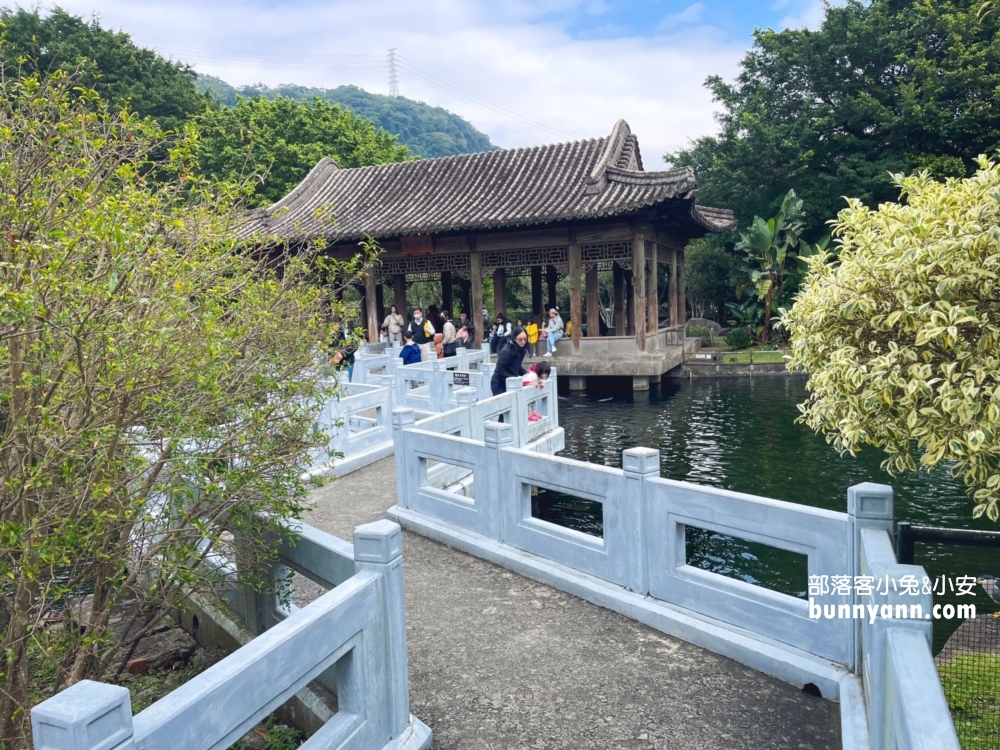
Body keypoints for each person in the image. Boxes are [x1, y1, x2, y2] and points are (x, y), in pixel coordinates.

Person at [491, 326, 529, 399]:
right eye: (520, 339)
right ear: (514, 339)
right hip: (499, 384)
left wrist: (528, 375)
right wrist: (515, 379)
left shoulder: (522, 349)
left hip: (511, 383)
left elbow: (517, 365)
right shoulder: (506, 351)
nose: (523, 341)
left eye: (525, 339)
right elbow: (500, 370)